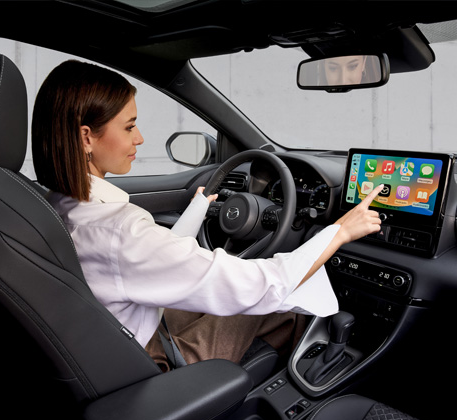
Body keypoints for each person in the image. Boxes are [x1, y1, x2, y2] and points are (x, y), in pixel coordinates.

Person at [32, 60, 383, 371]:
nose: (139, 138)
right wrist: (338, 231)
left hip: (116, 344)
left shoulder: (56, 204)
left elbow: (150, 259)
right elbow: (261, 284)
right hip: (154, 366)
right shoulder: (118, 229)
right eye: (128, 127)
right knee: (278, 305)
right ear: (86, 138)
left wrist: (200, 209)